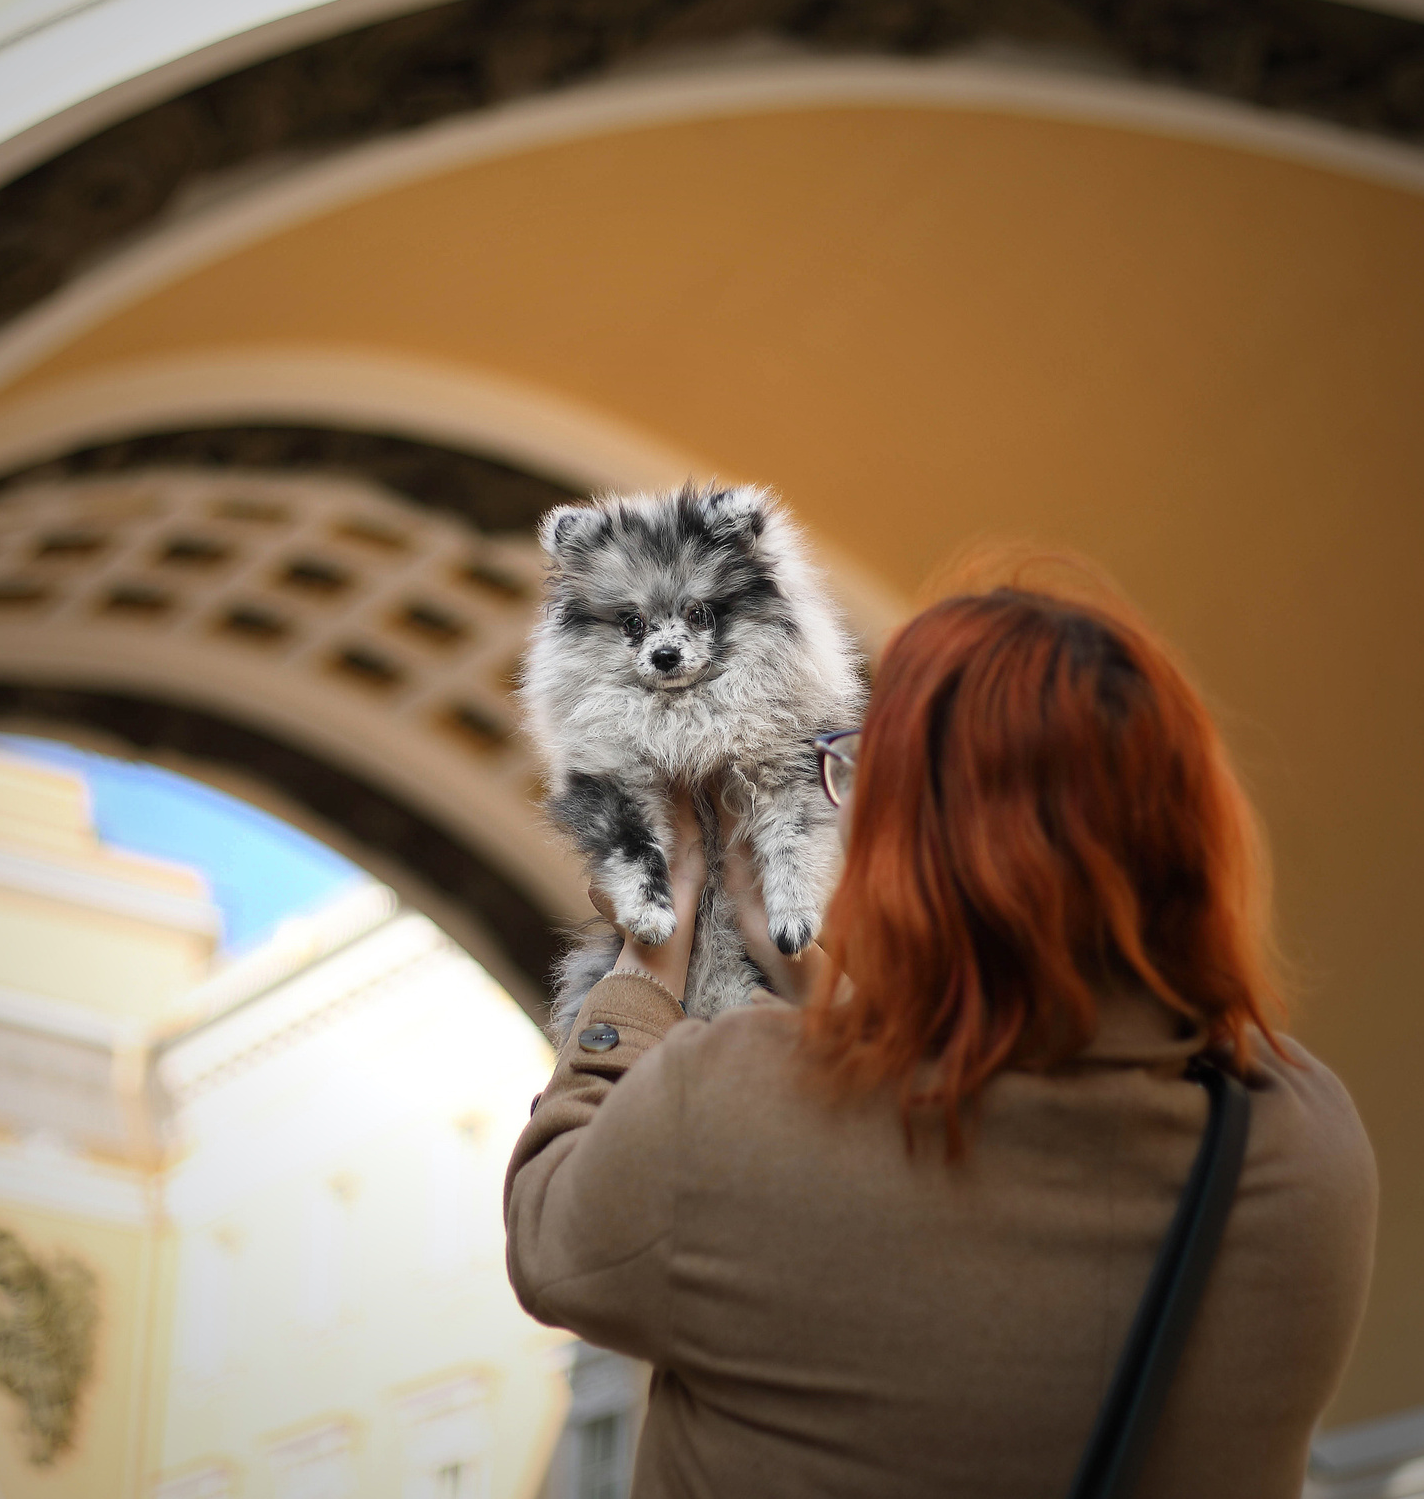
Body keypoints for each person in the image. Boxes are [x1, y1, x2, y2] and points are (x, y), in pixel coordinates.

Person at [505, 573, 1378, 1497]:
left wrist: (653, 952)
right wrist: (820, 986)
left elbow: (551, 1233)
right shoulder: (1297, 1141)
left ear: (911, 841)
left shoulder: (721, 1104)